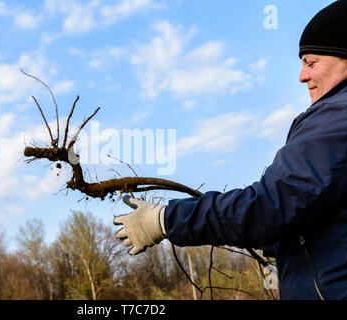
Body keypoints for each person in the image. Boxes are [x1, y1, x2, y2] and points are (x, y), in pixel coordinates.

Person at [114, 0, 347, 300]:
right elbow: (318, 212)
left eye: (311, 62)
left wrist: (166, 219)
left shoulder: (336, 119)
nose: (301, 76)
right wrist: (284, 251)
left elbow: (270, 204)